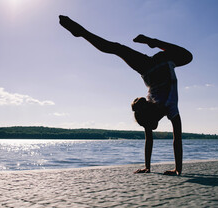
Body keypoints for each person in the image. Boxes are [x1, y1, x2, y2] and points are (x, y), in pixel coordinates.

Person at [59, 15, 192, 175]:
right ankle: (83, 33)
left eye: (146, 127)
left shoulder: (160, 108)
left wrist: (158, 168)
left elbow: (165, 139)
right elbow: (171, 139)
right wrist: (173, 169)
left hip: (154, 65)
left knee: (118, 48)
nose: (148, 130)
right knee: (117, 48)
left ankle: (83, 33)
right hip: (151, 66)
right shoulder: (161, 108)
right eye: (147, 127)